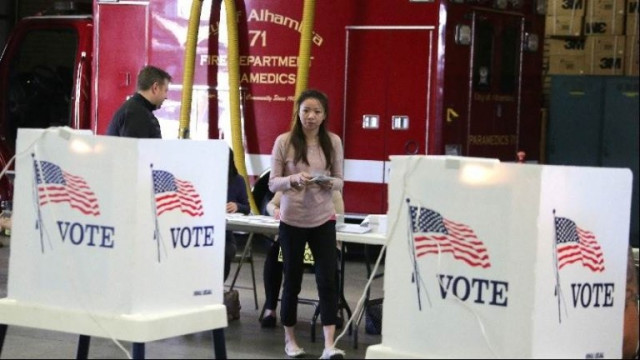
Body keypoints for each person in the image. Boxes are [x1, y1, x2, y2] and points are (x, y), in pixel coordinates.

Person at [268, 89, 345, 359]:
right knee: (292, 280)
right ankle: (290, 340)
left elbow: (339, 181)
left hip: (323, 219)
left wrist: (325, 181)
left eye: (317, 112)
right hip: (291, 221)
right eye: (306, 111)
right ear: (298, 113)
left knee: (327, 279)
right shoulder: (284, 141)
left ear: (324, 116)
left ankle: (329, 345)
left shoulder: (333, 142)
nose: (311, 116)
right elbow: (272, 182)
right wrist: (293, 180)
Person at [261, 190, 345, 329]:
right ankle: (270, 309)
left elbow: (339, 218)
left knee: (328, 265)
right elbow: (270, 204)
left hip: (321, 242)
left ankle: (331, 311)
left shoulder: (331, 191)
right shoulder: (289, 188)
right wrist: (276, 210)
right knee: (273, 256)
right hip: (293, 241)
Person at [106, 65, 171, 138]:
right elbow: (133, 148)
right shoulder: (137, 114)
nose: (166, 97)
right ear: (155, 88)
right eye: (165, 90)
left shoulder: (135, 110)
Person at [224, 149, 250, 282]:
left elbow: (247, 208)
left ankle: (219, 289)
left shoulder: (237, 180)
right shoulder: (205, 178)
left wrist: (237, 206)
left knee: (224, 253)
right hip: (206, 234)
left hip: (226, 237)